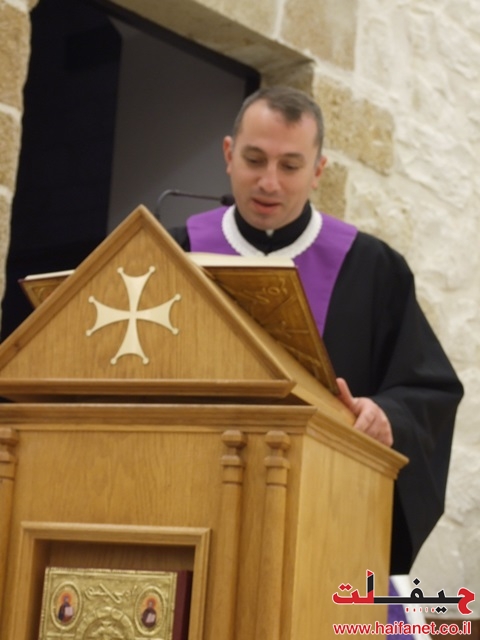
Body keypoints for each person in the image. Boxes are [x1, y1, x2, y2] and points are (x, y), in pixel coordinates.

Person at [168, 86, 463, 574]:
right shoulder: (175, 253)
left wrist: (386, 415)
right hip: (186, 506)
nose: (269, 182)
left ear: (318, 171)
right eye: (254, 160)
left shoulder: (373, 269)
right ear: (228, 154)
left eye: (290, 166)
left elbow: (429, 391)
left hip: (322, 519)